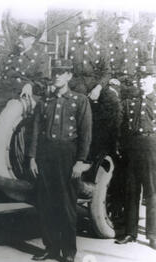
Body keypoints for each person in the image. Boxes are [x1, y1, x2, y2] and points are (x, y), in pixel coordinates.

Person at [28, 58, 92, 262]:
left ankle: (68, 251)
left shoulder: (79, 100)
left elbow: (85, 133)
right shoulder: (44, 101)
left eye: (62, 72)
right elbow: (35, 132)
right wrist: (32, 158)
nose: (57, 76)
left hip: (68, 156)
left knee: (67, 205)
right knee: (46, 204)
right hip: (46, 156)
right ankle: (51, 247)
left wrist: (80, 161)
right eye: (55, 72)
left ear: (69, 76)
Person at [115, 62, 156, 250]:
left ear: (153, 79)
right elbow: (122, 130)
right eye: (141, 78)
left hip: (153, 148)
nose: (143, 81)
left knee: (152, 192)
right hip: (133, 149)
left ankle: (153, 235)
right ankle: (130, 232)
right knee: (131, 191)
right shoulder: (130, 103)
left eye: (147, 78)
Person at [66, 12, 117, 159]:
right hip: (74, 87)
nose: (85, 29)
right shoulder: (73, 48)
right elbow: (67, 70)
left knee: (107, 109)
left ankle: (104, 152)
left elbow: (107, 72)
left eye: (88, 26)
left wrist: (98, 88)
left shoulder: (102, 48)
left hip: (93, 89)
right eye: (82, 26)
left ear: (95, 28)